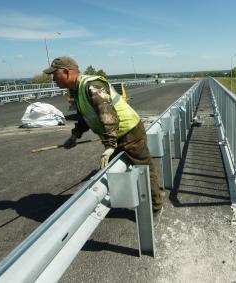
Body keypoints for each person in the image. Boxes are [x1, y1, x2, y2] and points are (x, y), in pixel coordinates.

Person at [43, 56, 163, 213]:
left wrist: (110, 144)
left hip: (129, 132)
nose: (53, 79)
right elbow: (86, 115)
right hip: (115, 135)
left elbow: (107, 114)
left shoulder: (92, 85)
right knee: (116, 172)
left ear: (66, 72)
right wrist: (75, 135)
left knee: (143, 168)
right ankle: (125, 201)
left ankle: (155, 206)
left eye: (54, 74)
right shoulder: (76, 90)